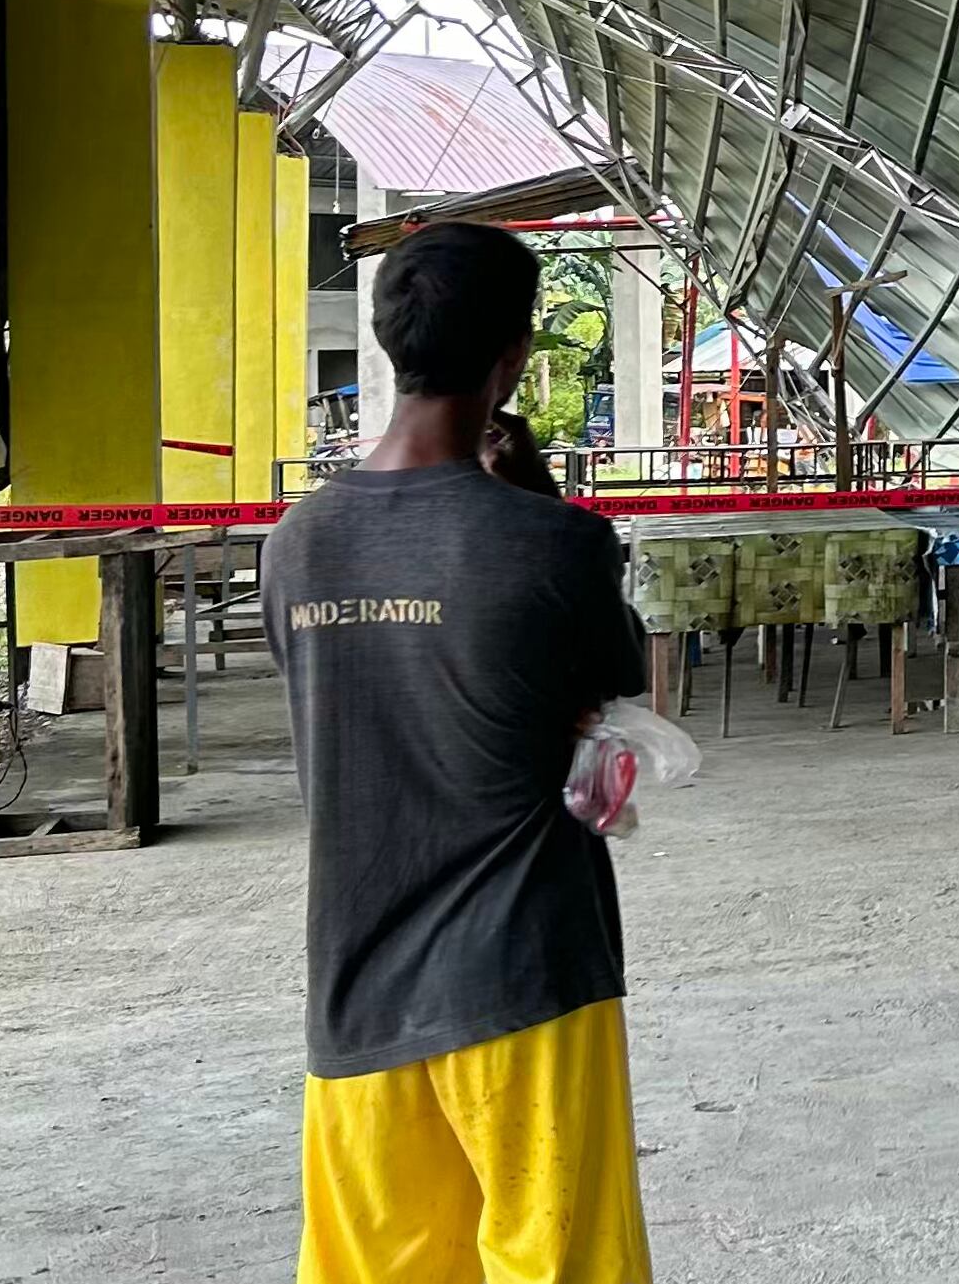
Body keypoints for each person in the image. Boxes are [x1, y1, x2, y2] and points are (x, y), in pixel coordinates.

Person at [262, 221, 654, 1283]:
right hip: (525, 968)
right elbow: (617, 674)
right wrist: (537, 500)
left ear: (394, 347)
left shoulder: (295, 543)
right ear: (512, 359)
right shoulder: (552, 540)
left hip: (355, 989)